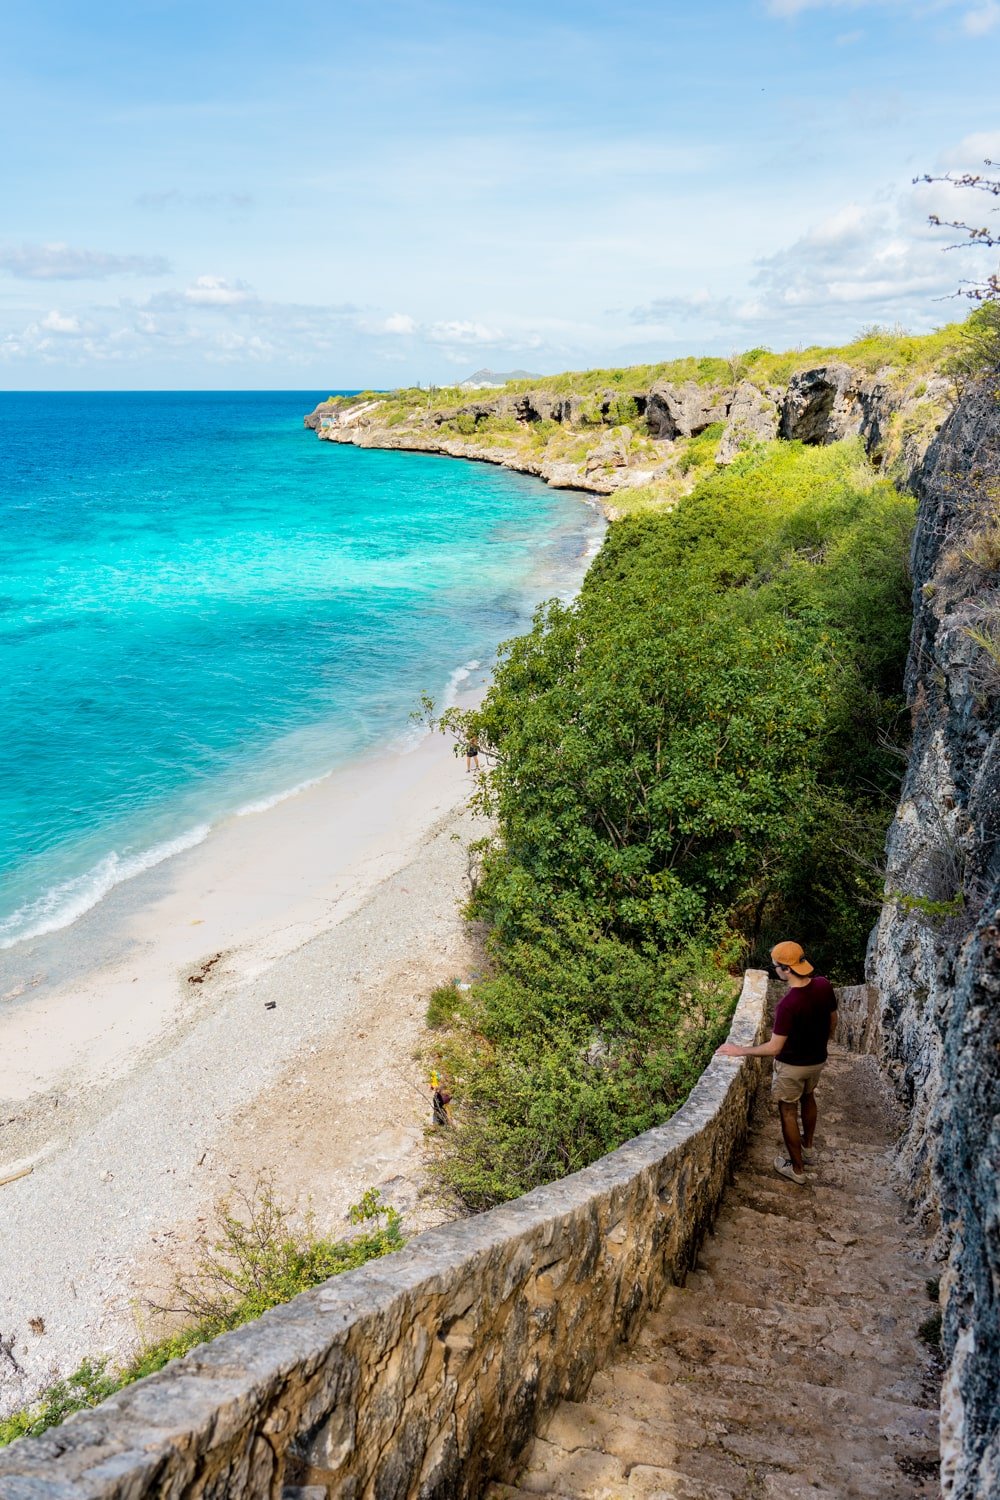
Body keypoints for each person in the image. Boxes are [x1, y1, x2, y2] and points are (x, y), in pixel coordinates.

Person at [716, 940, 838, 1185]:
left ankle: (797, 1169)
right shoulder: (824, 985)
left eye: (775, 967)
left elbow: (774, 1047)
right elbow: (833, 1019)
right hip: (817, 1061)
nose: (774, 971)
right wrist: (823, 1042)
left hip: (792, 1066)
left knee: (788, 1111)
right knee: (809, 1096)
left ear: (787, 969)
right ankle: (809, 1146)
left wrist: (740, 1050)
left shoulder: (788, 1005)